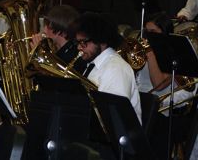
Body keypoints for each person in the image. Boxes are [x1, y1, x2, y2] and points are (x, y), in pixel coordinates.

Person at [137, 12, 196, 159]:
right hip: (140, 102)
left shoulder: (171, 53)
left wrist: (150, 54)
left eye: (153, 33)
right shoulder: (145, 48)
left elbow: (158, 84)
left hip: (159, 110)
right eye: (146, 32)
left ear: (164, 33)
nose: (148, 37)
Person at [75, 12, 142, 122]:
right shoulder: (92, 65)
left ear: (101, 41)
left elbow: (112, 116)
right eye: (77, 42)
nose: (79, 47)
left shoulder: (116, 69)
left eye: (83, 42)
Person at [31, 5, 86, 73]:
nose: (44, 30)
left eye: (48, 26)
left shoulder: (73, 57)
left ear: (60, 30)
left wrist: (40, 53)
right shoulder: (59, 51)